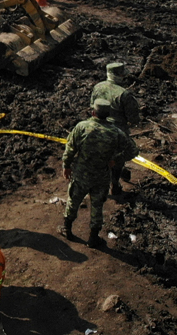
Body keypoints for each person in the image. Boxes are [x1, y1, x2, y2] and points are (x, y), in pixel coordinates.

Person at [60, 99, 139, 248]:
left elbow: (70, 149)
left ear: (93, 112)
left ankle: (66, 228)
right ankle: (93, 238)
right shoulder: (116, 132)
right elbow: (133, 150)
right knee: (97, 206)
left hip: (81, 174)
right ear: (109, 114)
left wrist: (66, 166)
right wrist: (116, 160)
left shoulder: (82, 127)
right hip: (101, 176)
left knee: (73, 200)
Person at [89, 62, 141, 195]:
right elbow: (134, 119)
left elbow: (92, 107)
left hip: (98, 128)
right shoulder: (124, 94)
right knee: (118, 158)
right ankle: (115, 184)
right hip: (117, 132)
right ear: (119, 76)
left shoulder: (97, 87)